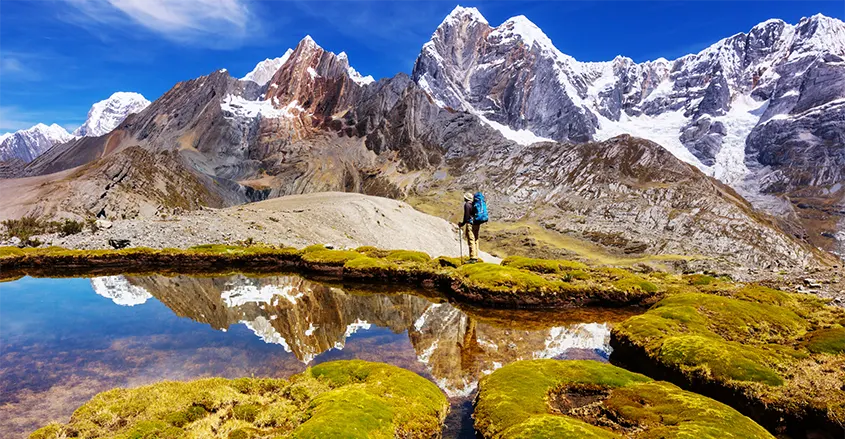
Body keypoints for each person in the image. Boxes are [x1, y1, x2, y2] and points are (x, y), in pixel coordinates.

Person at [458, 192, 481, 263]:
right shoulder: (475, 204)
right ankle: (476, 256)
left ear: (466, 198)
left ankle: (473, 258)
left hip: (470, 224)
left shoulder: (467, 205)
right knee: (476, 239)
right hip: (477, 223)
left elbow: (466, 216)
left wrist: (462, 224)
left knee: (471, 239)